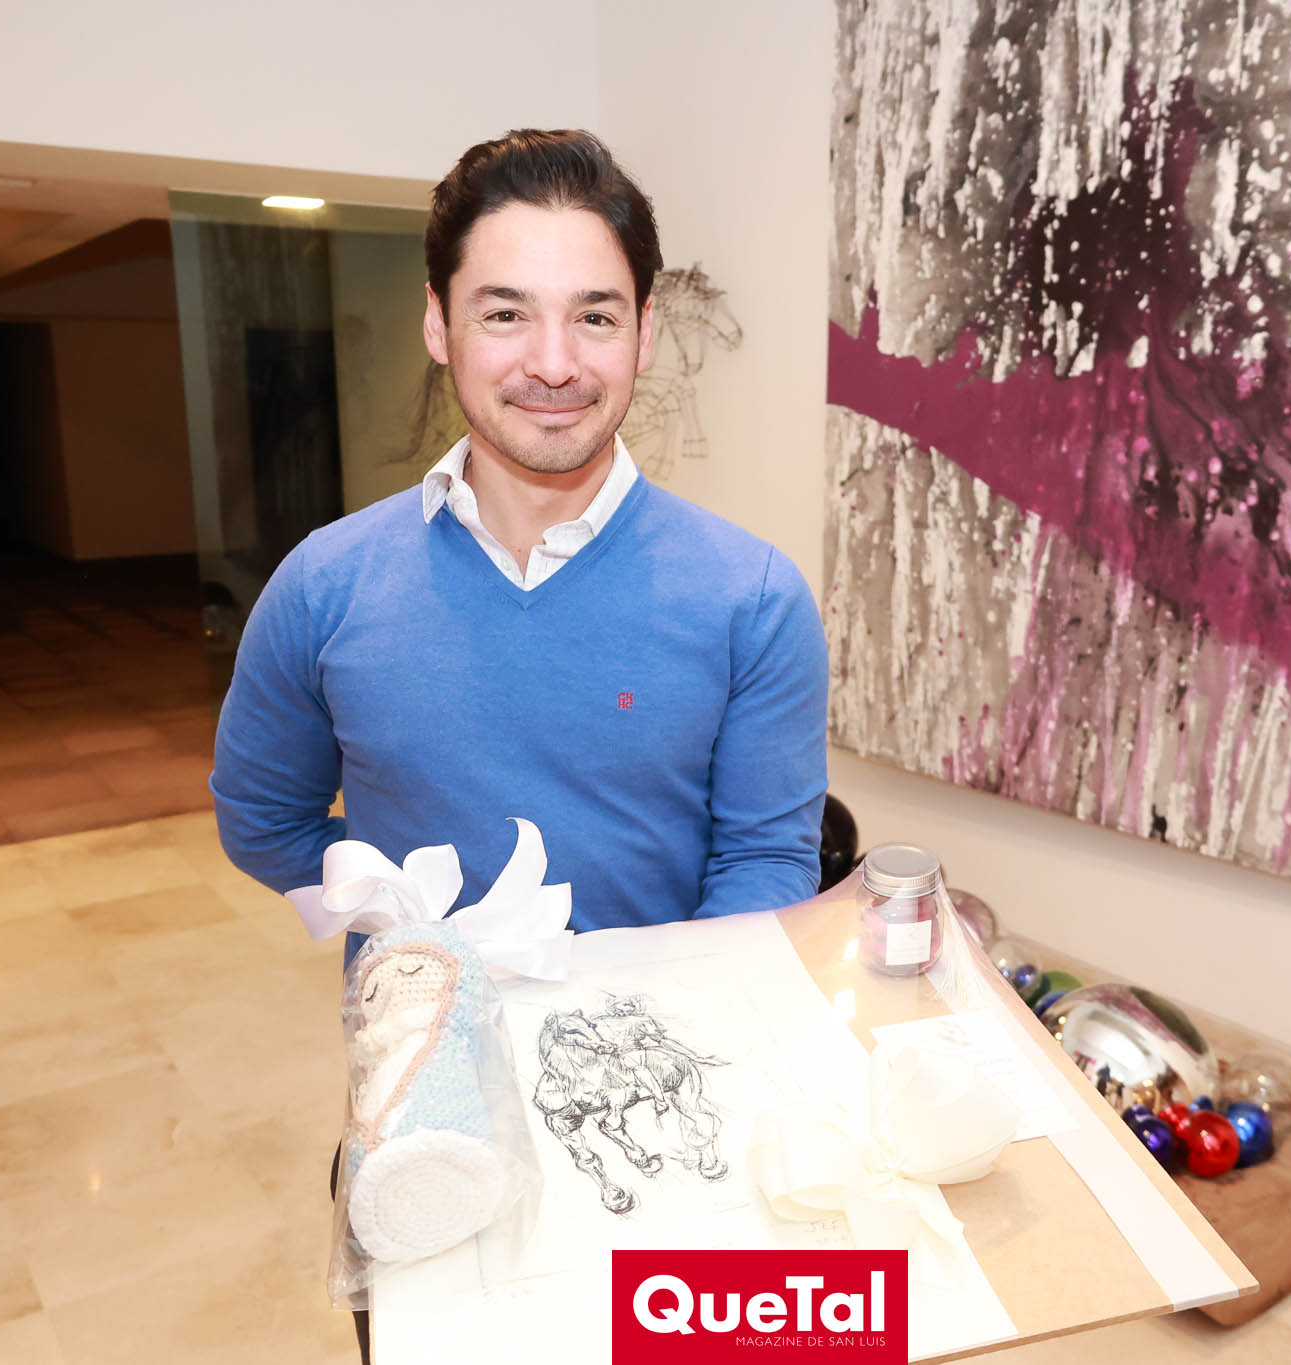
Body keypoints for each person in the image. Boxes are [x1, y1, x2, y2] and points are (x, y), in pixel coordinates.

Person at [209, 129, 829, 1362]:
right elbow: (263, 822)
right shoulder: (324, 586)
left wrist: (630, 1039)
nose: (553, 363)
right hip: (423, 1125)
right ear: (437, 325)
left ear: (643, 333)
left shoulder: (750, 598)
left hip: (663, 1111)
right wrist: (406, 935)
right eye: (505, 313)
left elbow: (765, 864)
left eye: (594, 316)